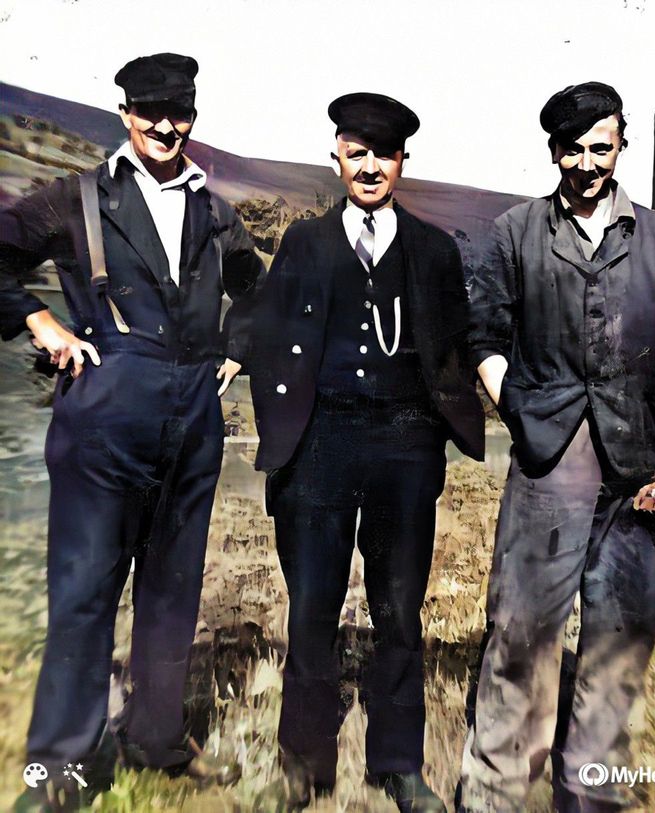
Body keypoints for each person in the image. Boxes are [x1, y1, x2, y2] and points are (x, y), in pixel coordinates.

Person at [1, 53, 263, 809]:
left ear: (192, 116)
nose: (163, 125)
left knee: (173, 589)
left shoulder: (216, 212)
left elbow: (255, 294)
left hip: (192, 419)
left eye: (177, 111)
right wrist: (40, 320)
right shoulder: (77, 197)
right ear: (125, 114)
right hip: (106, 408)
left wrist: (236, 351)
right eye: (149, 110)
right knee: (84, 592)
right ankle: (60, 768)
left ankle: (155, 738)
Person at [458, 82, 655, 813]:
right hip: (550, 468)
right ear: (553, 150)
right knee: (523, 636)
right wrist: (523, 412)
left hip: (639, 467)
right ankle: (496, 794)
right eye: (573, 148)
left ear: (622, 143)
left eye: (602, 146)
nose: (588, 162)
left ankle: (591, 792)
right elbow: (484, 338)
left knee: (620, 638)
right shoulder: (516, 232)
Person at [249, 92, 485, 812]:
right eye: (358, 152)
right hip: (319, 446)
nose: (371, 166)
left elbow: (460, 344)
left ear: (402, 161)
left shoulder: (435, 249)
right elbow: (265, 333)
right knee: (313, 607)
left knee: (399, 610)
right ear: (337, 158)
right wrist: (280, 421)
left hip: (405, 447)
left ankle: (398, 761)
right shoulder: (304, 243)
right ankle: (305, 761)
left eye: (384, 153)